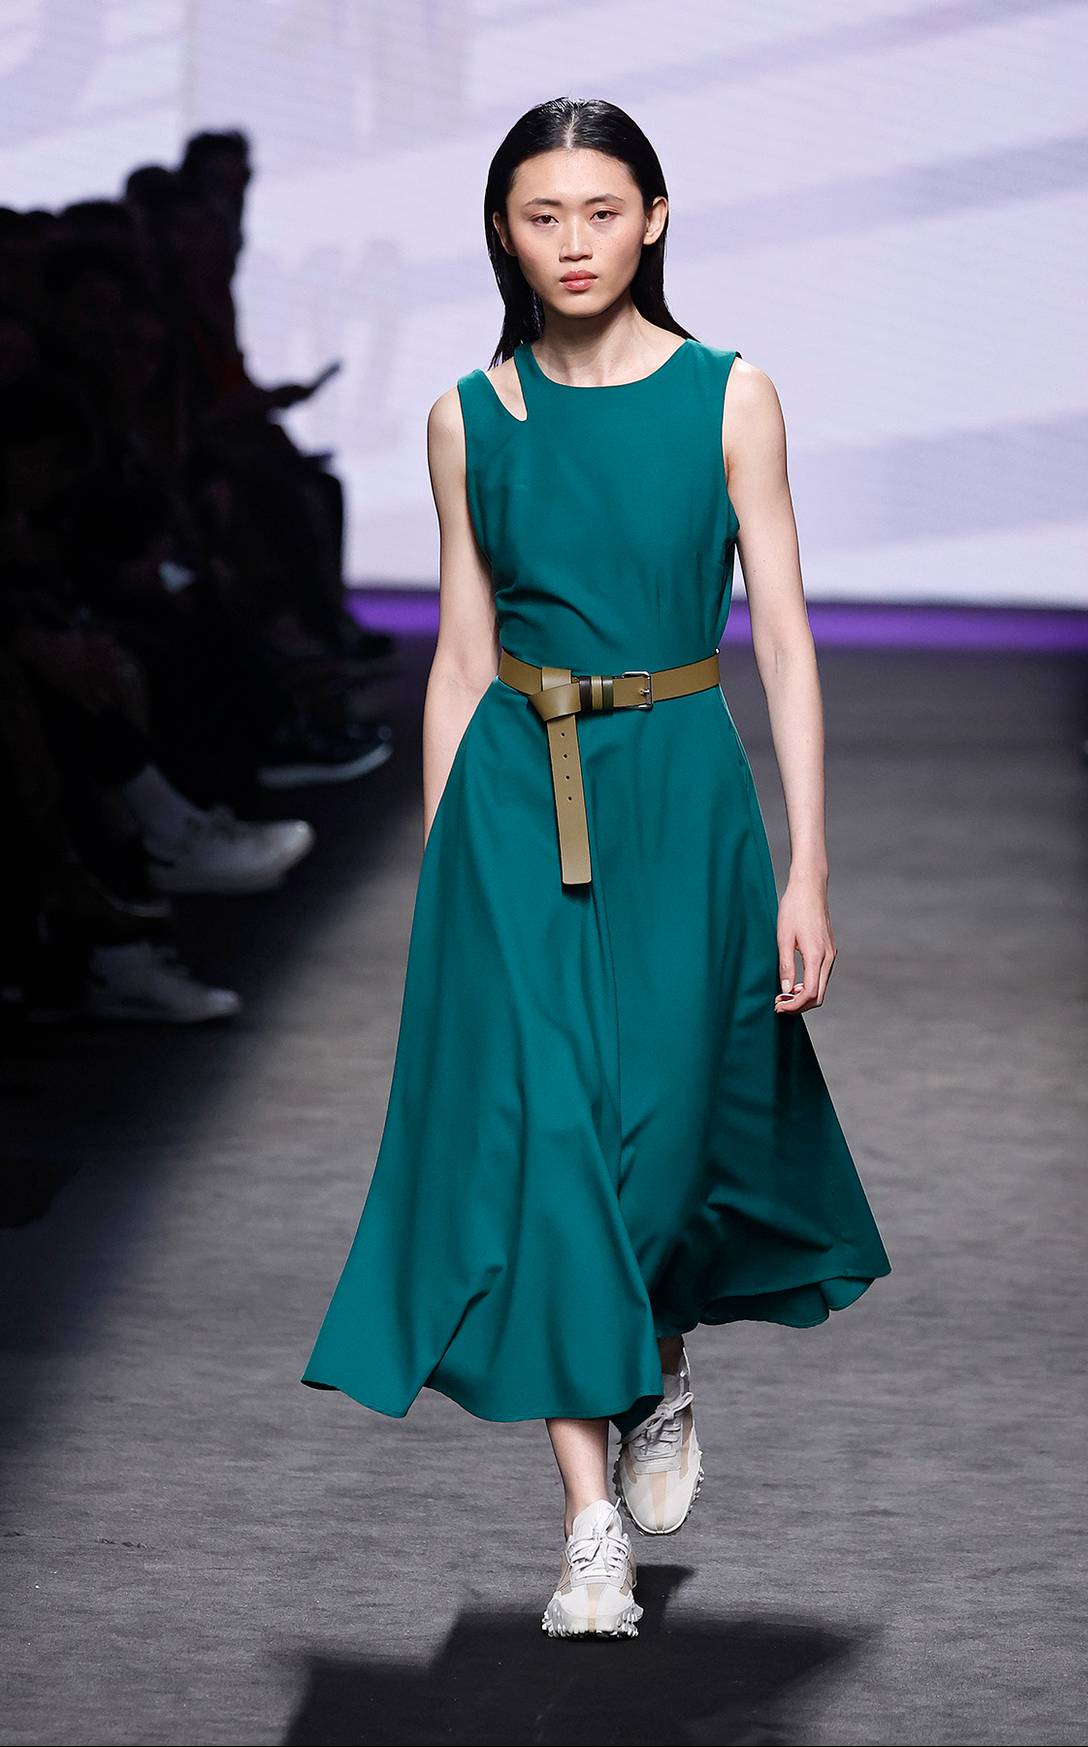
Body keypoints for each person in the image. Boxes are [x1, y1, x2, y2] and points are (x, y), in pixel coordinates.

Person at [302, 96, 891, 1640]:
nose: (574, 242)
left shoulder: (730, 396)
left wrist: (809, 866)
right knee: (550, 1148)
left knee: (667, 1138)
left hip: (682, 793)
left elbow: (784, 640)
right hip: (513, 799)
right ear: (503, 233)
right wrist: (446, 876)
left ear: (657, 218)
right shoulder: (470, 417)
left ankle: (659, 1360)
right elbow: (458, 659)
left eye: (602, 210)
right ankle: (586, 1529)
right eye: (543, 214)